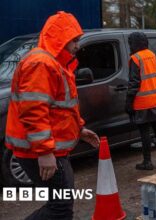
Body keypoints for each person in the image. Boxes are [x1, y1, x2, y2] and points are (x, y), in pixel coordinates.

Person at [5, 11, 100, 220]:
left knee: (61, 204)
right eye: (74, 40)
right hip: (40, 151)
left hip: (48, 149)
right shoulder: (42, 63)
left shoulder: (55, 63)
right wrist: (44, 152)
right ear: (60, 38)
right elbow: (33, 111)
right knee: (60, 207)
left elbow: (61, 109)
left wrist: (79, 129)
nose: (77, 45)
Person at [126, 32, 156, 170]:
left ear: (135, 43)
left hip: (143, 102)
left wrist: (129, 102)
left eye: (130, 43)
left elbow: (134, 83)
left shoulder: (136, 58)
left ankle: (147, 162)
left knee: (145, 132)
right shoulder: (152, 55)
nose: (129, 46)